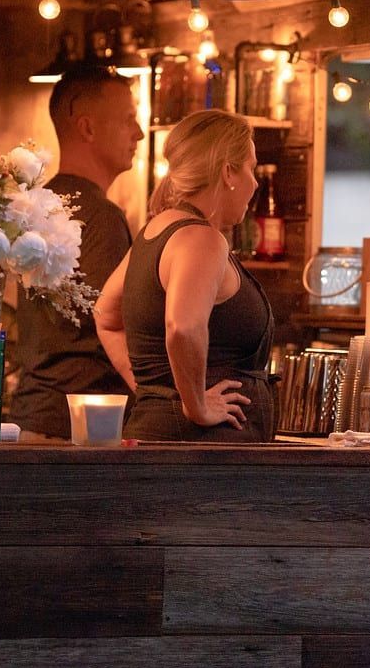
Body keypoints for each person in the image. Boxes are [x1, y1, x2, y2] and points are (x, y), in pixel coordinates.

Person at [95, 110, 275, 442]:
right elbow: (184, 326)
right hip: (201, 451)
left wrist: (156, 392)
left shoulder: (155, 230)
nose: (255, 183)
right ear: (228, 172)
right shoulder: (202, 239)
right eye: (251, 168)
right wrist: (197, 407)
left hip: (166, 437)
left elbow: (105, 315)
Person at [7, 67, 144, 440]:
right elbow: (118, 322)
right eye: (128, 119)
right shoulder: (101, 217)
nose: (139, 133)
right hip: (77, 428)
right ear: (87, 128)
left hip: (34, 415)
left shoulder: (37, 206)